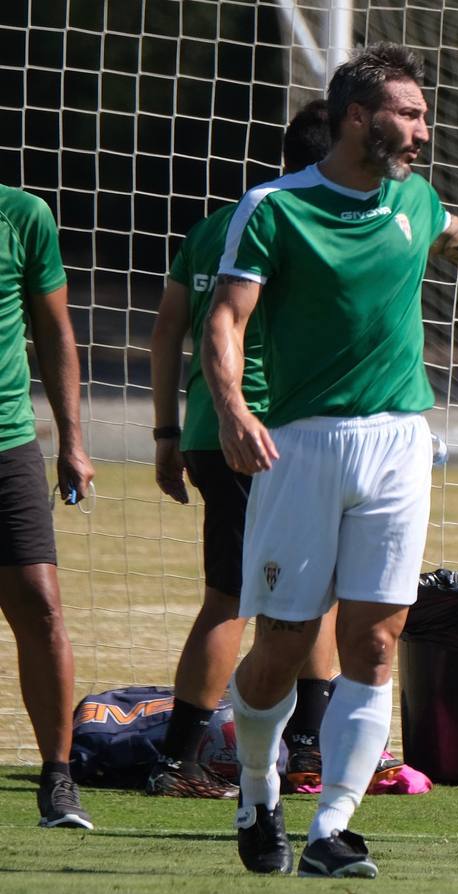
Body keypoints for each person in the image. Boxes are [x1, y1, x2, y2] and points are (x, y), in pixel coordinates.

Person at [202, 42, 458, 878]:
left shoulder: (414, 198)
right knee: (283, 641)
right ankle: (258, 789)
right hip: (300, 445)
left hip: (400, 442)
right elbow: (225, 321)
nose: (423, 129)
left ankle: (332, 827)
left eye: (422, 115)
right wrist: (232, 411)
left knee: (377, 641)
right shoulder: (273, 208)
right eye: (408, 114)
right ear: (356, 118)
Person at [148, 100, 342, 798]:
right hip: (269, 435)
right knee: (283, 595)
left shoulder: (211, 228)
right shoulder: (305, 224)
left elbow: (168, 330)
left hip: (206, 431)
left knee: (238, 593)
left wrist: (167, 434)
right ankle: (211, 759)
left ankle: (197, 756)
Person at [0, 183, 96, 828]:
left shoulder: (23, 214)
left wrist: (73, 442)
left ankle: (58, 780)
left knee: (41, 604)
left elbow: (55, 329)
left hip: (7, 444)